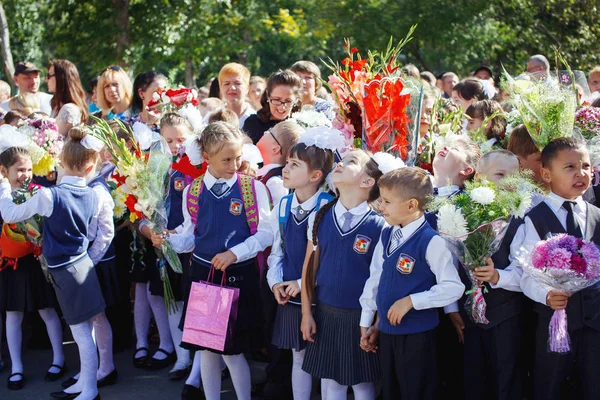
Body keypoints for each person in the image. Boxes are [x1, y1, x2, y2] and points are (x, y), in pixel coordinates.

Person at [0, 126, 113, 400]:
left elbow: (10, 212)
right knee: (85, 329)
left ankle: (90, 389)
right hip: (81, 265)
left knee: (80, 332)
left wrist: (4, 185)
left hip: (65, 270)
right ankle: (85, 384)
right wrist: (91, 259)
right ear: (90, 166)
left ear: (61, 162)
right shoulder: (96, 194)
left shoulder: (50, 195)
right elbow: (104, 233)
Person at [162, 121, 273, 400]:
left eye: (238, 158)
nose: (234, 165)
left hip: (237, 278)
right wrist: (167, 239)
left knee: (233, 353)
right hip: (203, 276)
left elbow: (267, 234)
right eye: (226, 159)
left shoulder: (252, 189)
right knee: (206, 349)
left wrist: (235, 252)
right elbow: (191, 236)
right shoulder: (193, 191)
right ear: (206, 157)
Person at [359, 167, 464, 400]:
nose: (381, 206)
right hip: (387, 334)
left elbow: (453, 287)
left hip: (417, 337)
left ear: (411, 205)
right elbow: (376, 278)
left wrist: (411, 301)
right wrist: (369, 322)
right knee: (392, 391)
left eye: (386, 201)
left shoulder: (431, 241)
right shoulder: (387, 235)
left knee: (416, 392)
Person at [300, 149, 385, 400]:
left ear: (367, 181)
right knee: (331, 381)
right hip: (325, 312)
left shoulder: (379, 224)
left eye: (350, 162)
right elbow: (309, 270)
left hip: (361, 318)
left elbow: (383, 281)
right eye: (341, 160)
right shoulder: (321, 215)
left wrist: (377, 325)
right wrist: (306, 313)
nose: (339, 163)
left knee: (361, 383)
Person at [519, 138, 599, 400]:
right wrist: (545, 294)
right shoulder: (534, 217)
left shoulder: (597, 215)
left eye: (586, 166)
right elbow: (525, 271)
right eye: (570, 167)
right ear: (546, 174)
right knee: (550, 385)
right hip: (555, 322)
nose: (581, 173)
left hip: (595, 323)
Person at [266, 135, 336, 400]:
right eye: (287, 162)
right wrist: (275, 282)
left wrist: (302, 283)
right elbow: (278, 251)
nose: (285, 168)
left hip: (321, 297)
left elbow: (330, 260)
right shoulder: (284, 205)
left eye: (294, 165)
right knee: (299, 358)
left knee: (328, 361)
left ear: (315, 175)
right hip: (291, 298)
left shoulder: (328, 207)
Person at [0, 142, 65, 390]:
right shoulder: (3, 195)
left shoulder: (38, 191)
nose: (25, 174)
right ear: (4, 171)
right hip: (12, 264)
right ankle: (17, 366)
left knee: (47, 310)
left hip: (38, 261)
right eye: (19, 170)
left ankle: (59, 358)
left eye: (28, 169)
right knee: (12, 314)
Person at [143, 112, 194, 379]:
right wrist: (149, 230)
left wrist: (177, 232)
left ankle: (198, 360)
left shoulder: (194, 168)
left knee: (189, 302)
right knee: (170, 300)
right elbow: (142, 212)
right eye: (168, 140)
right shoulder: (154, 168)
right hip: (161, 245)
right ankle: (181, 357)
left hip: (188, 248)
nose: (175, 146)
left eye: (181, 139)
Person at [243, 70, 302, 144]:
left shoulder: (301, 124)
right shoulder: (253, 123)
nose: (282, 107)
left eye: (288, 101)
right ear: (268, 95)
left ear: (296, 99)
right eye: (277, 100)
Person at [256, 120, 303, 205]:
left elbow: (272, 216)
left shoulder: (276, 183)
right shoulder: (262, 173)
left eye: (270, 131)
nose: (265, 132)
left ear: (275, 149)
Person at [47, 59, 89, 136]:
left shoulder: (69, 109)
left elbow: (53, 141)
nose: (46, 80)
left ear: (61, 78)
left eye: (49, 75)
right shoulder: (57, 106)